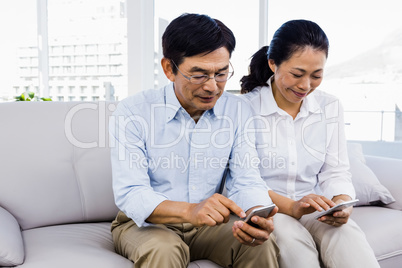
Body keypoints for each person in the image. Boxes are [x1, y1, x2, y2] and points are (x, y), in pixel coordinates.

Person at [109, 13, 279, 268]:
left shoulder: (237, 110)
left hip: (209, 226)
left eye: (221, 73)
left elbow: (246, 178)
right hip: (146, 224)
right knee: (164, 250)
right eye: (198, 75)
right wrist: (190, 211)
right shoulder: (133, 111)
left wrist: (257, 213)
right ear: (169, 68)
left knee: (259, 244)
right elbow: (131, 193)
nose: (212, 87)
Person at [240, 19, 379, 268]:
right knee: (297, 250)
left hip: (315, 207)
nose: (305, 86)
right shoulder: (244, 109)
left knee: (348, 237)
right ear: (273, 63)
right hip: (271, 210)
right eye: (296, 74)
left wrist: (341, 201)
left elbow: (335, 171)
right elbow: (244, 179)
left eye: (316, 76)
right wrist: (292, 207)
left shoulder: (330, 106)